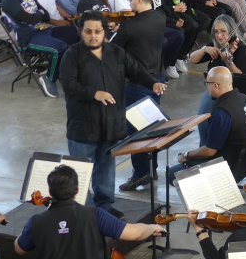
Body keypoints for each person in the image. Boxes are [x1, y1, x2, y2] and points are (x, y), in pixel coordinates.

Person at [58, 11, 167, 215]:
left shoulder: (116, 52)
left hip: (110, 123)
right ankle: (86, 211)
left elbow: (135, 70)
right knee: (80, 172)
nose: (93, 36)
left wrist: (152, 83)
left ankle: (105, 206)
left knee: (106, 168)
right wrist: (94, 93)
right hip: (84, 125)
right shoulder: (72, 55)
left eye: (97, 31)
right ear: (81, 32)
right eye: (88, 31)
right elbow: (68, 84)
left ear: (104, 31)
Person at [13, 165, 167, 257]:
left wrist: (30, 230)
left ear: (50, 191)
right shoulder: (95, 215)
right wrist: (152, 227)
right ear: (77, 190)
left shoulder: (37, 222)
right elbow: (135, 233)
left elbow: (19, 249)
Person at [113, 0, 172, 191]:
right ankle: (151, 168)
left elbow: (112, 49)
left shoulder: (129, 27)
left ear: (139, 0)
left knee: (135, 131)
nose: (129, 3)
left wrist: (118, 29)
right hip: (157, 78)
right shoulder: (160, 17)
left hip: (138, 83)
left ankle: (140, 174)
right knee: (152, 126)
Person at [169, 66, 246, 184]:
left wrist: (186, 155)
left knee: (171, 174)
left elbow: (210, 151)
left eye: (207, 83)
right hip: (245, 164)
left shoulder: (222, 113)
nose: (207, 86)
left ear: (216, 85)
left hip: (225, 167)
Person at [2, 0, 80, 97]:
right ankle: (49, 79)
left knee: (78, 32)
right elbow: (32, 19)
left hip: (45, 30)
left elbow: (46, 16)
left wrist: (37, 14)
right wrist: (38, 14)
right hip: (28, 38)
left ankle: (75, 72)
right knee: (59, 47)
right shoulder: (9, 1)